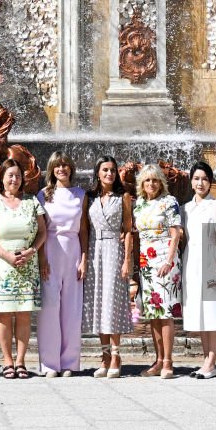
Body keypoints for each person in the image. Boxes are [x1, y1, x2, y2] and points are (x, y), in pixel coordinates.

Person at [0, 159, 48, 379]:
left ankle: (21, 361)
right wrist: (7, 255)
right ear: (1, 177)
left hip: (27, 264)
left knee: (23, 314)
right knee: (4, 314)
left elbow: (42, 232)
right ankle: (7, 361)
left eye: (18, 175)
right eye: (10, 175)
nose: (14, 179)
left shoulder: (32, 201)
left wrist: (32, 251)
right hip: (2, 265)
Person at [36, 152, 87, 377]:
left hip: (73, 250)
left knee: (72, 310)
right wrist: (42, 259)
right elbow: (40, 230)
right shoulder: (43, 195)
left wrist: (84, 258)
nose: (62, 169)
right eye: (57, 166)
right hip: (50, 248)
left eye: (65, 165)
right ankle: (49, 364)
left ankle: (69, 362)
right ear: (52, 169)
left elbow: (84, 229)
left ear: (71, 169)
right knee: (49, 308)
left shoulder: (80, 195)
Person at [82, 156, 134, 379]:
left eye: (113, 170)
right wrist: (83, 258)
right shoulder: (89, 197)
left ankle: (115, 355)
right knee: (98, 303)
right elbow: (84, 230)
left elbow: (129, 229)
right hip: (94, 250)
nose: (109, 174)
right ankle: (103, 356)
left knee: (112, 302)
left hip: (114, 248)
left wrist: (127, 260)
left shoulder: (123, 197)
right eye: (105, 170)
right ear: (98, 172)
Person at [133, 164, 183, 379]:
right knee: (153, 314)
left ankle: (168, 362)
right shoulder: (140, 205)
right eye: (147, 180)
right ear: (141, 184)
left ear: (161, 182)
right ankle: (158, 359)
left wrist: (169, 261)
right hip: (147, 262)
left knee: (166, 313)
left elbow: (176, 233)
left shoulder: (169, 202)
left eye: (154, 180)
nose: (151, 184)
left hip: (165, 260)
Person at [182, 161, 216, 379]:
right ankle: (205, 360)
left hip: (211, 262)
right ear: (191, 182)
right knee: (199, 312)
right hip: (191, 263)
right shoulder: (186, 208)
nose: (200, 183)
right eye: (197, 179)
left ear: (210, 182)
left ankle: (212, 362)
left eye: (205, 179)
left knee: (213, 311)